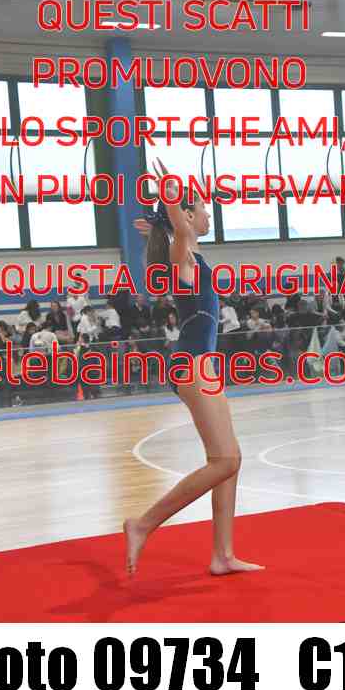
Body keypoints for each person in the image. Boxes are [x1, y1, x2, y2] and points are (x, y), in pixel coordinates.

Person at [123, 158, 264, 576]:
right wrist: (170, 198)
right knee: (225, 461)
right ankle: (143, 524)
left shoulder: (192, 257)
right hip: (192, 365)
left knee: (229, 458)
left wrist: (170, 209)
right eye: (203, 208)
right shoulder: (182, 256)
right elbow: (181, 230)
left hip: (202, 364)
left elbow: (180, 228)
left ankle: (223, 555)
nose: (209, 215)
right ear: (186, 215)